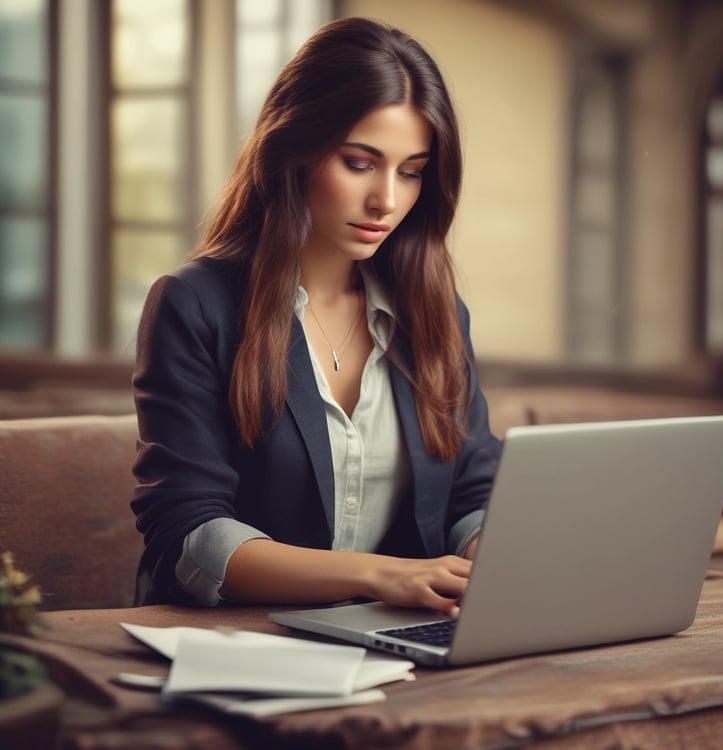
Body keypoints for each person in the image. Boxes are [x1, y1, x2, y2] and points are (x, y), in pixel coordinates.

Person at [130, 16, 502, 617]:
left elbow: (474, 492)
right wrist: (383, 575)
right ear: (294, 151)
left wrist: (497, 557)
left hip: (400, 633)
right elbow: (190, 534)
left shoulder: (434, 312)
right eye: (359, 163)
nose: (387, 200)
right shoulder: (193, 304)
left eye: (411, 172)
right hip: (242, 638)